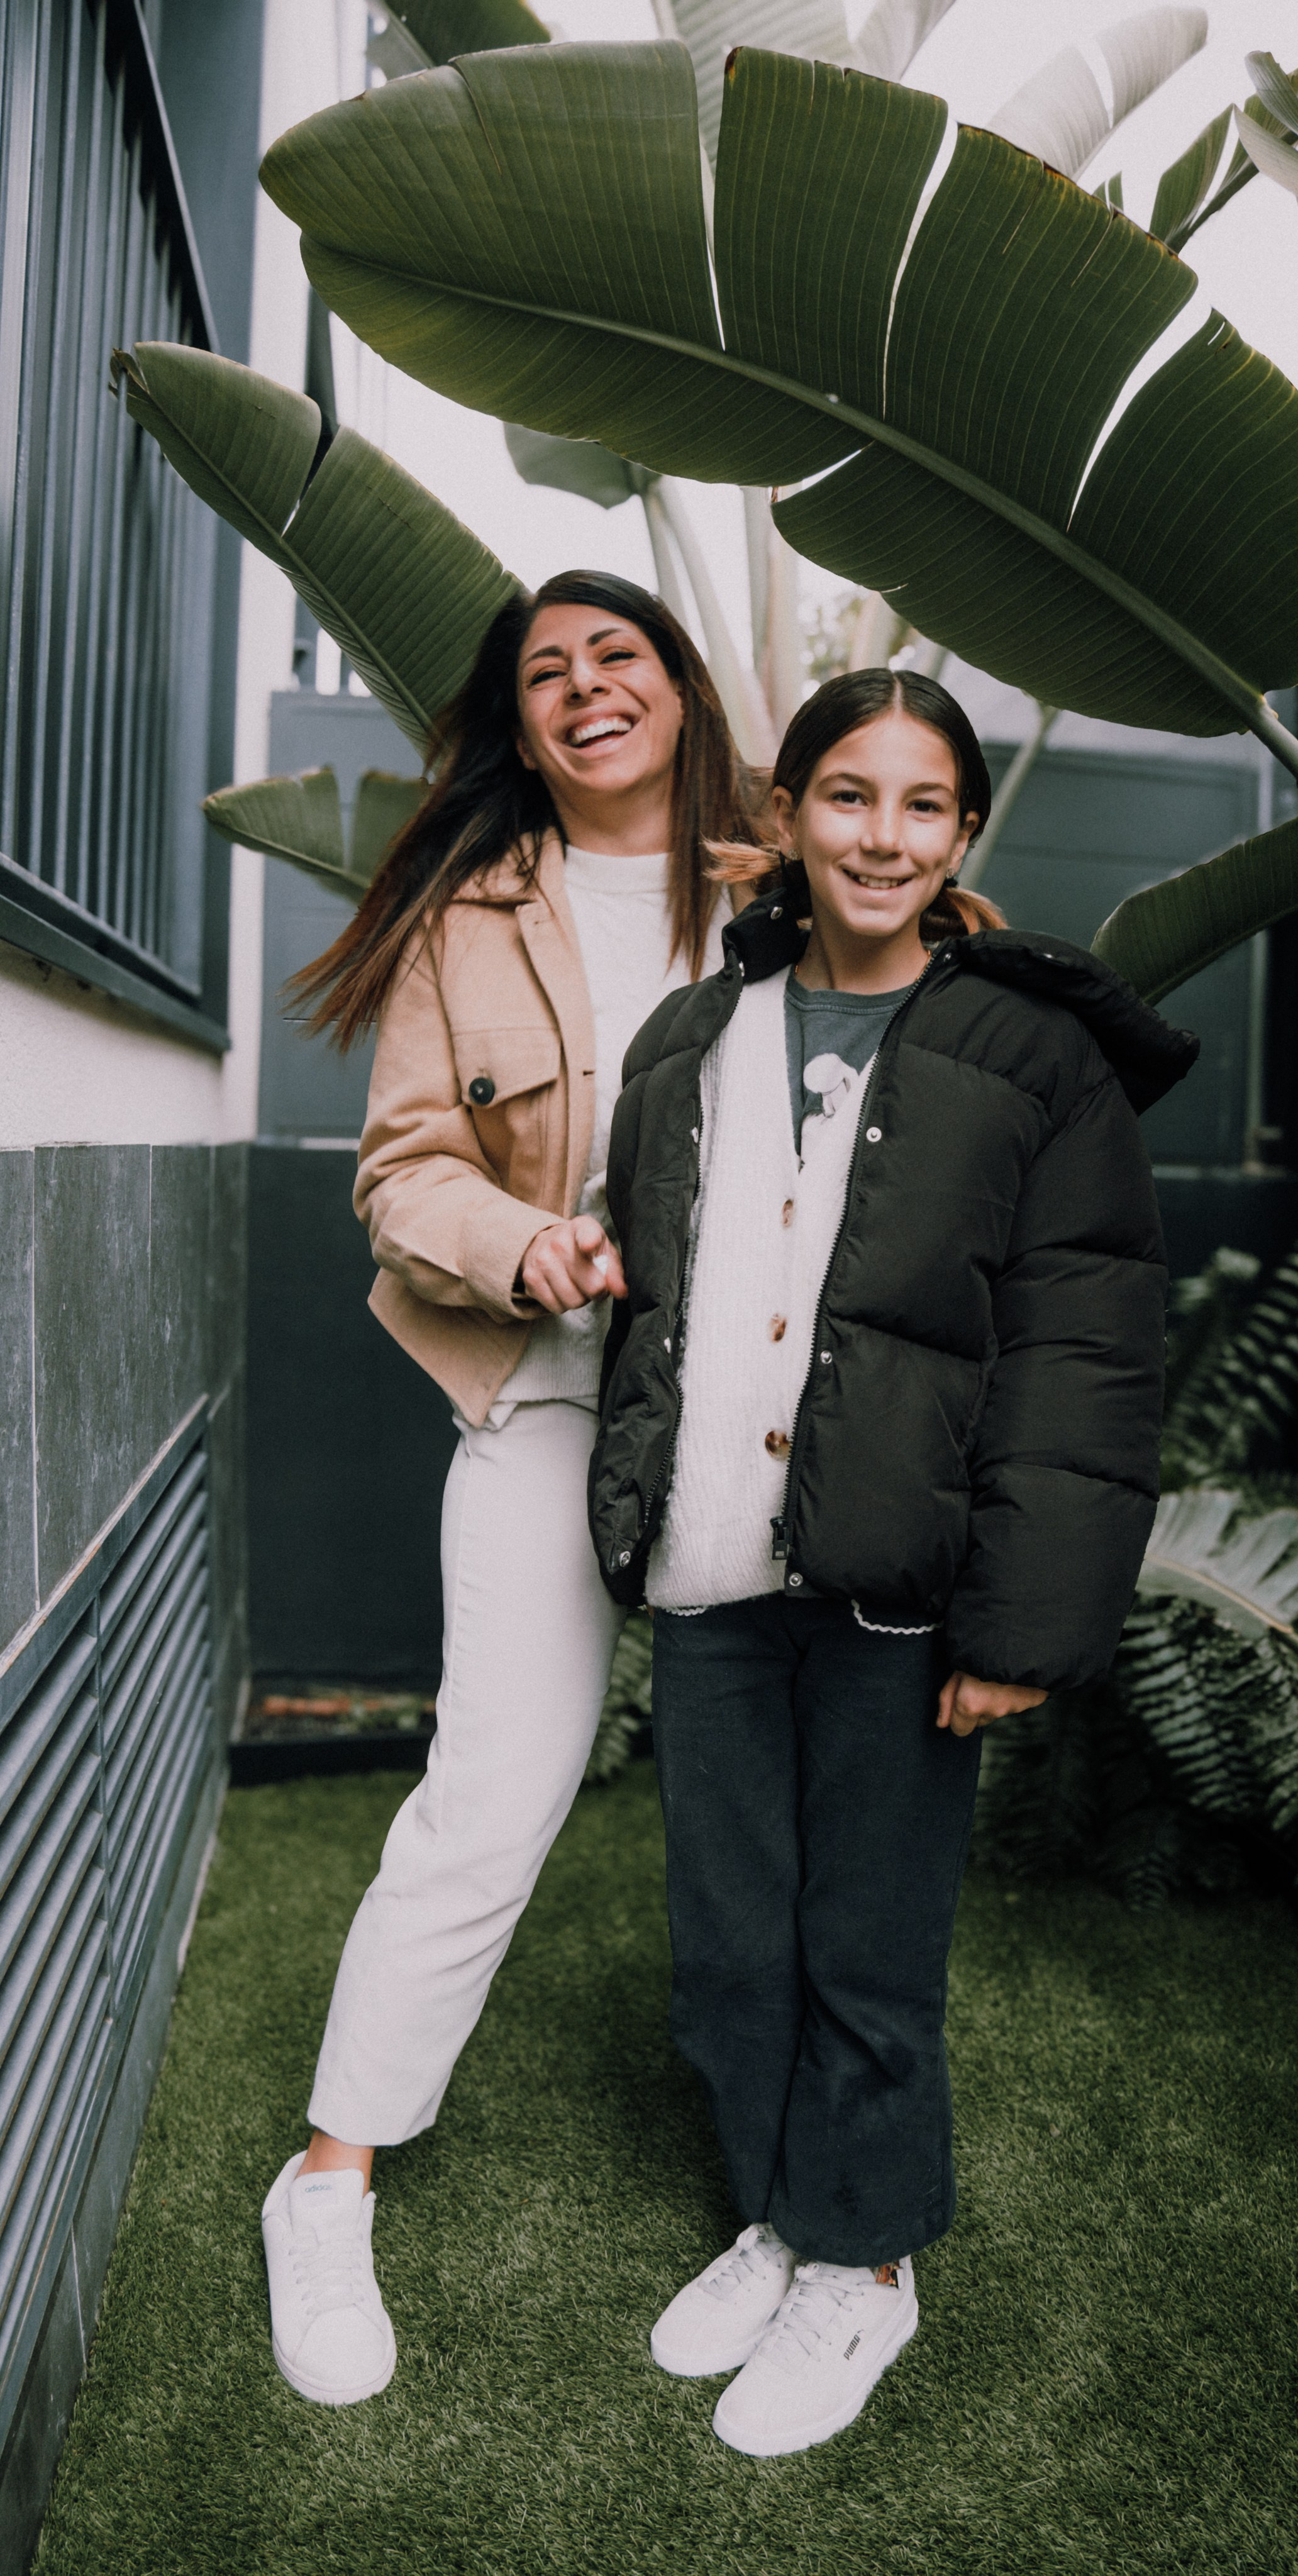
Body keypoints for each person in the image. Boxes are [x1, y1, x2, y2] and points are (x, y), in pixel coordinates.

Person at [589, 666, 1198, 2458]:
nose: (880, 835)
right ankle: (786, 2209)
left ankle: (863, 2266)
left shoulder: (1029, 1056)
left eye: (920, 804)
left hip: (895, 1582)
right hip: (715, 1567)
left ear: (962, 836)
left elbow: (1083, 1353)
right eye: (845, 796)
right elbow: (658, 1305)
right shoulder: (692, 1042)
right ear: (785, 817)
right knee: (725, 1939)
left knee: (864, 1940)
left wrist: (1021, 1619)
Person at [259, 571, 757, 2407]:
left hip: (774, 1418)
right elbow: (400, 1172)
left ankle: (804, 2210)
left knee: (776, 1807)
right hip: (547, 1396)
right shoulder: (465, 916)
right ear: (521, 725)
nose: (583, 688)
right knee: (489, 1792)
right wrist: (523, 1244)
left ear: (681, 686)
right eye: (545, 675)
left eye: (615, 654)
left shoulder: (802, 870)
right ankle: (326, 2182)